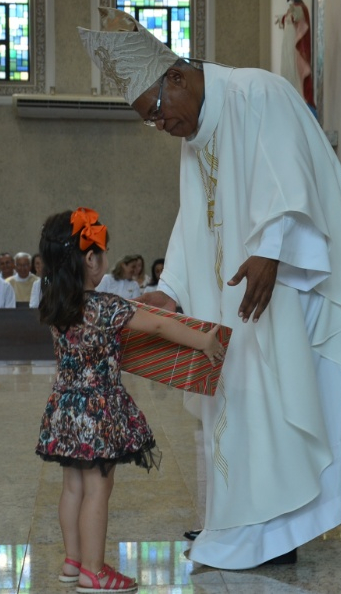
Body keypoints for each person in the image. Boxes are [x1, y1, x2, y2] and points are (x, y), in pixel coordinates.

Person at [79, 8, 341, 569]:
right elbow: (191, 220)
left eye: (158, 109)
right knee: (238, 407)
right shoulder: (195, 133)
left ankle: (272, 532)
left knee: (279, 404)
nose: (161, 124)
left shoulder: (257, 91)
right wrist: (172, 289)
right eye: (149, 121)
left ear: (177, 77)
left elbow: (292, 177)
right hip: (234, 300)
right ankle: (242, 525)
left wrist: (272, 248)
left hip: (281, 288)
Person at [35, 207, 225, 591]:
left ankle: (73, 562)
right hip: (98, 411)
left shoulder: (55, 305)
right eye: (102, 253)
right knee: (98, 489)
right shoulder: (106, 307)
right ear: (91, 259)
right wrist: (204, 340)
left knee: (72, 487)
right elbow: (158, 322)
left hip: (65, 409)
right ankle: (94, 570)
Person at [274, 0, 314, 108]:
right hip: (287, 42)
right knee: (287, 65)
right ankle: (288, 94)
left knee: (294, 67)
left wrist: (293, 13)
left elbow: (300, 19)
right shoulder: (292, 8)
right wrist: (282, 18)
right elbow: (288, 18)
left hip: (294, 43)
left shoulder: (300, 7)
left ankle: (297, 95)